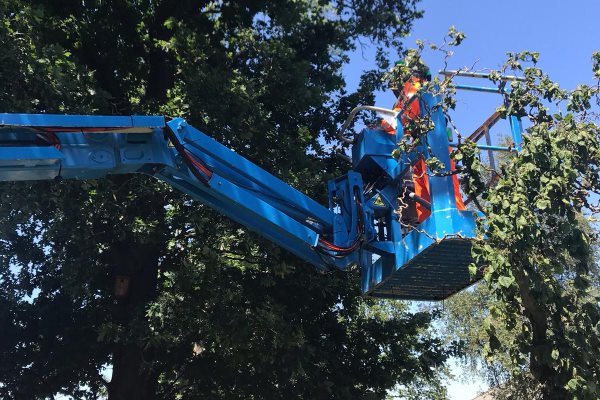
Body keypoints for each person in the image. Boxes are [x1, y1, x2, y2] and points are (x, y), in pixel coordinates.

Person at [383, 60, 465, 223]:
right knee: (426, 196)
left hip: (434, 148)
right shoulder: (415, 93)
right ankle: (431, 225)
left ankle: (455, 223)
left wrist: (375, 129)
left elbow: (396, 122)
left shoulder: (416, 91)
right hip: (421, 149)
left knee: (443, 195)